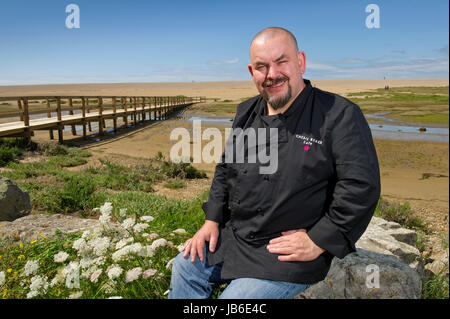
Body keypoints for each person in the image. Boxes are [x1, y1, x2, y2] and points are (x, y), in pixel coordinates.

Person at [168, 27, 381, 299]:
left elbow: (360, 186)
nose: (272, 74)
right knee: (185, 268)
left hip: (288, 252)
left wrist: (319, 239)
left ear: (300, 62)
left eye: (282, 61)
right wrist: (212, 220)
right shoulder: (246, 112)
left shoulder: (339, 115)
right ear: (251, 72)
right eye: (262, 66)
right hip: (238, 237)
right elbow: (225, 169)